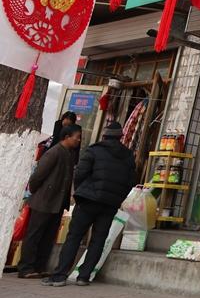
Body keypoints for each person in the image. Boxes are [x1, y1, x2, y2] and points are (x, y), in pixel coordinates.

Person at [44, 121, 136, 286]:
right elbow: (130, 182)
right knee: (98, 239)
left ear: (104, 136)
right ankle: (84, 277)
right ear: (120, 137)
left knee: (74, 236)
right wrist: (116, 198)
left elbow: (80, 174)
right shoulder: (128, 156)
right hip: (109, 204)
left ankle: (59, 276)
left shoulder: (94, 150)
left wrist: (82, 192)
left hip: (88, 200)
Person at [18, 124, 82, 279]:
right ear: (67, 137)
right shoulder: (54, 152)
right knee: (34, 235)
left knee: (48, 236)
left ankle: (39, 267)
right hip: (44, 201)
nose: (79, 140)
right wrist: (37, 192)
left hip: (57, 203)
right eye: (77, 137)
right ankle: (26, 268)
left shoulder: (69, 154)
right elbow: (37, 177)